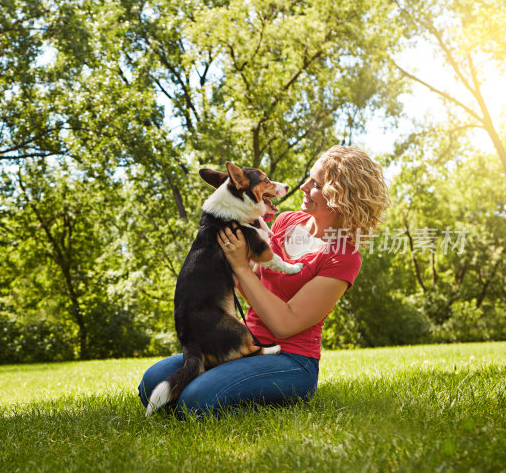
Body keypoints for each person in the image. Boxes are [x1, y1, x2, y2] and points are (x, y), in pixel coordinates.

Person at [138, 145, 390, 418]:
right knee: (152, 382)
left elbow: (285, 325)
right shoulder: (285, 221)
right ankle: (221, 389)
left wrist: (240, 268)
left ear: (340, 197)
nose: (303, 187)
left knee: (194, 402)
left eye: (315, 184)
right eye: (308, 177)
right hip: (242, 343)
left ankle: (255, 402)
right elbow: (254, 288)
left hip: (292, 360)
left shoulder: (344, 256)